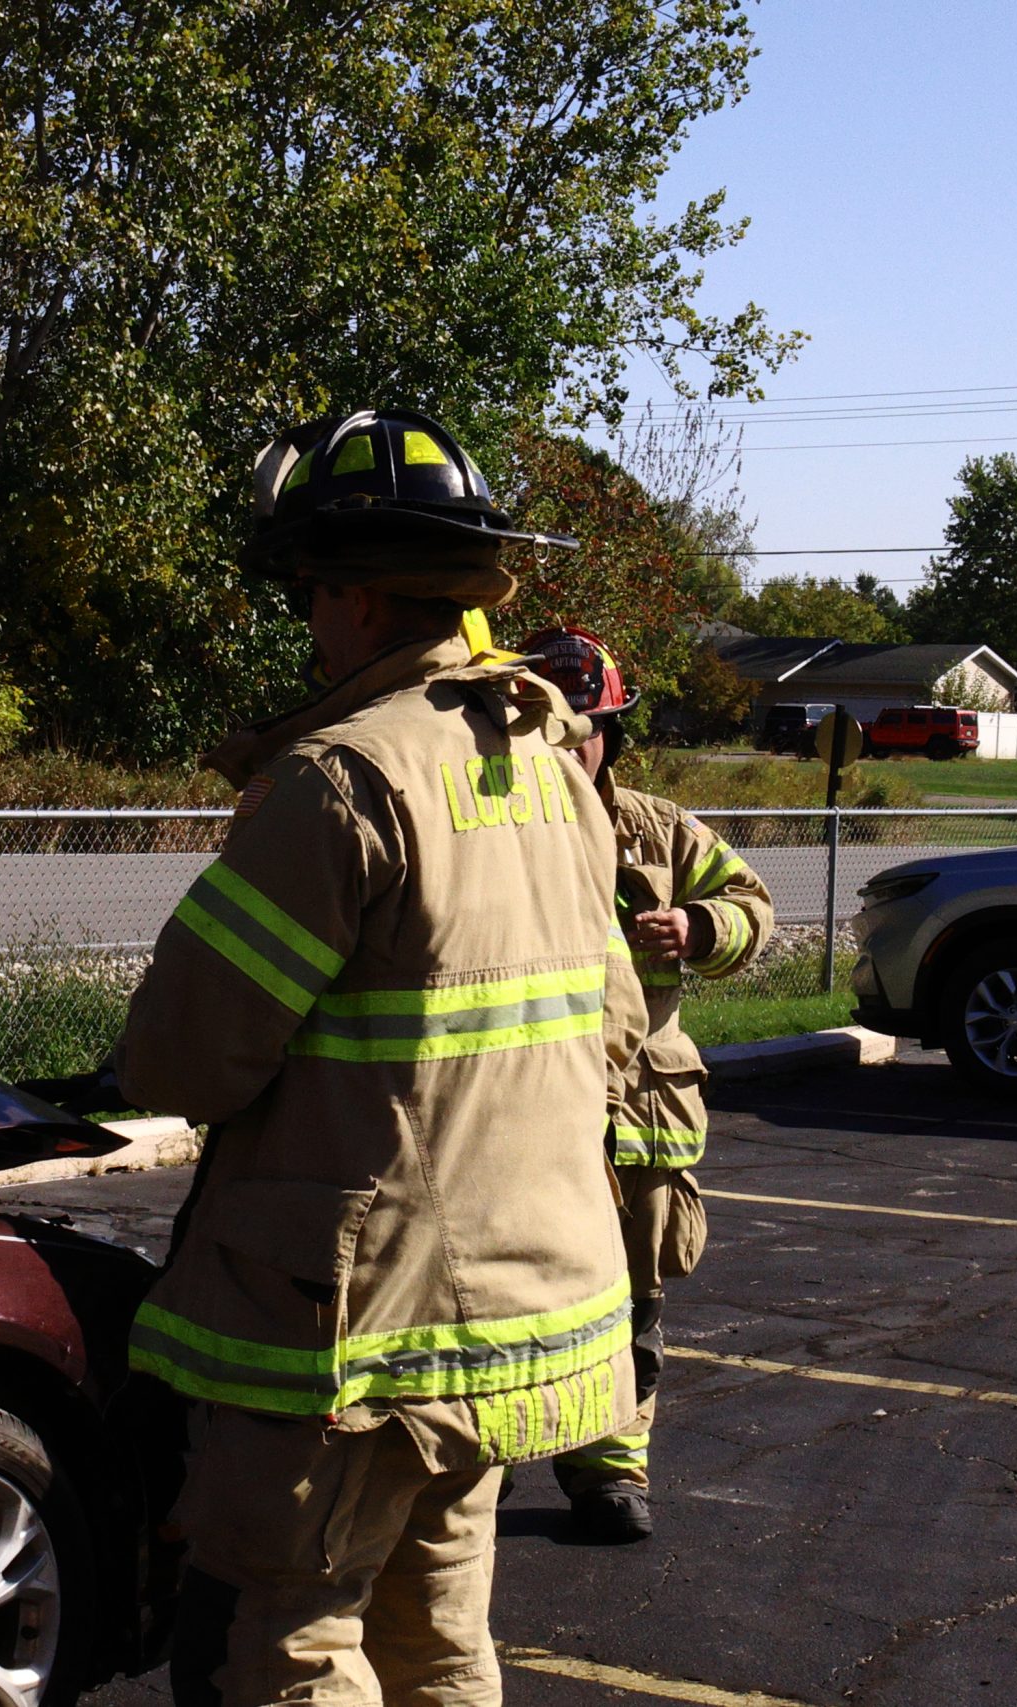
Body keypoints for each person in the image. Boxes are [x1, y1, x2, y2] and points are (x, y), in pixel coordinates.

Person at [116, 409, 638, 1707]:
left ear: (353, 595)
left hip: (361, 1331)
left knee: (289, 1635)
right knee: (437, 1634)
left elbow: (185, 1059)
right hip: (520, 1307)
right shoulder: (548, 758)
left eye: (310, 592)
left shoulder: (344, 779)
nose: (309, 622)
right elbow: (616, 1023)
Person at [522, 625, 773, 1545]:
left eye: (581, 729)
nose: (564, 747)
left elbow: (754, 905)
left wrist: (699, 928)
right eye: (544, 729)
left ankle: (612, 1473)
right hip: (526, 1115)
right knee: (511, 1300)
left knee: (632, 1305)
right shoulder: (497, 828)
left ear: (611, 734)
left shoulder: (658, 829)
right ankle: (486, 1460)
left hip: (638, 1119)